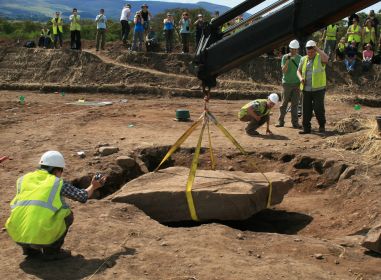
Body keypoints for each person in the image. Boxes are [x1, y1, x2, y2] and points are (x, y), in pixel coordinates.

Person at [5, 151, 106, 260]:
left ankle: (30, 250)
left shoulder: (23, 180)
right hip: (39, 235)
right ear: (57, 170)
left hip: (16, 235)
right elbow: (82, 196)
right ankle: (52, 251)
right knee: (67, 214)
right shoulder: (57, 183)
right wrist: (93, 186)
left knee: (27, 211)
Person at [297, 40, 329, 134]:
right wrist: (300, 78)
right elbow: (298, 71)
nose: (310, 54)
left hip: (318, 89)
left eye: (312, 52)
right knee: (306, 109)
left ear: (315, 50)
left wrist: (317, 48)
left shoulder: (320, 57)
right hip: (306, 89)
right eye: (308, 52)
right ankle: (306, 128)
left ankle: (322, 126)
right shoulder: (303, 59)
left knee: (318, 108)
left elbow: (326, 59)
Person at [276, 40, 302, 129]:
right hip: (286, 83)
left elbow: (302, 71)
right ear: (290, 48)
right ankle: (280, 121)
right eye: (292, 49)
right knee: (284, 103)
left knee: (295, 104)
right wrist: (288, 61)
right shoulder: (285, 57)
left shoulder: (301, 58)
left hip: (297, 84)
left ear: (297, 49)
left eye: (295, 49)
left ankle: (295, 123)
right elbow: (284, 71)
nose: (293, 51)